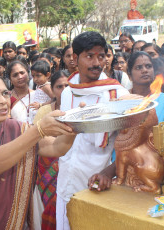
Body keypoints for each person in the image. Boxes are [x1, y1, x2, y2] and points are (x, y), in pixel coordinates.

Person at [0, 73, 76, 230]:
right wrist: (38, 130)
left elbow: (57, 147)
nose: (3, 101)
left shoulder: (16, 128)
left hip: (15, 223)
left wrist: (74, 125)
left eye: (5, 93)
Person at [56, 31, 130, 229]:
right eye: (90, 56)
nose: (97, 62)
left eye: (102, 56)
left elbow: (129, 143)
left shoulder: (117, 95)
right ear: (74, 58)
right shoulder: (67, 93)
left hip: (97, 187)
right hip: (64, 185)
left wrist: (108, 172)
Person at [88, 51, 164, 192]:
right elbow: (122, 146)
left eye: (148, 66)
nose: (145, 70)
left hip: (158, 172)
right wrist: (107, 173)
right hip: (123, 172)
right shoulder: (123, 101)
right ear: (129, 74)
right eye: (139, 67)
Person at [33, 70, 68, 230]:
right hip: (48, 162)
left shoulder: (81, 109)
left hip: (74, 163)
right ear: (52, 90)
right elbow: (35, 137)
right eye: (59, 86)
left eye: (68, 86)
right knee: (50, 204)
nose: (64, 90)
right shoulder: (45, 111)